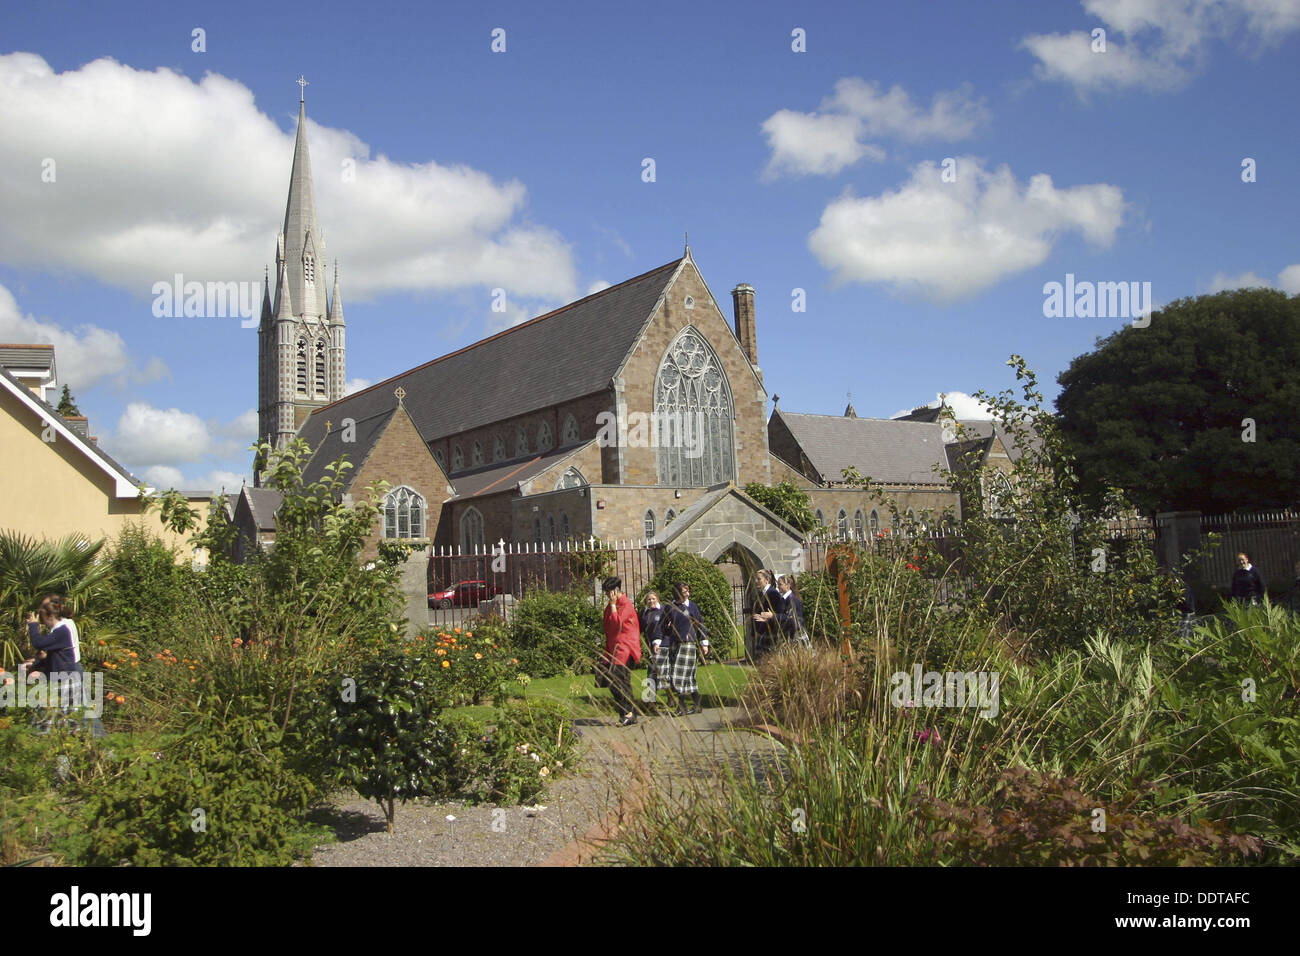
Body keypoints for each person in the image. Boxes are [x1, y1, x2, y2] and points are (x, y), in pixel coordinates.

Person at [25, 594, 85, 724]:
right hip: (65, 671)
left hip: (69, 671)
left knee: (76, 713)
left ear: (51, 613)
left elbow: (39, 643)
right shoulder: (60, 627)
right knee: (66, 713)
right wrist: (38, 661)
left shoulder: (63, 627)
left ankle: (96, 737)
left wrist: (33, 625)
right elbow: (57, 652)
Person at [601, 576, 642, 727]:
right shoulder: (612, 605)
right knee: (614, 680)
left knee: (618, 680)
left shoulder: (625, 604)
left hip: (625, 648)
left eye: (608, 591)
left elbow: (615, 624)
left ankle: (628, 712)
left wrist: (612, 606)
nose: (606, 594)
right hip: (613, 649)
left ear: (615, 591)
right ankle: (627, 712)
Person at [663, 581, 709, 716]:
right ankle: (697, 705)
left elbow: (700, 624)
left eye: (688, 591)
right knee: (688, 677)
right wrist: (668, 629)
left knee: (679, 675)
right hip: (675, 643)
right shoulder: (671, 607)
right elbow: (663, 625)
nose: (687, 594)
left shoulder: (693, 607)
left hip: (689, 644)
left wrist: (704, 642)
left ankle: (681, 707)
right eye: (684, 592)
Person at [640, 591, 669, 710]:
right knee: (651, 673)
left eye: (653, 599)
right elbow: (642, 629)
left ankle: (669, 697)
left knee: (662, 674)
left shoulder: (662, 611)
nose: (651, 601)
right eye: (649, 599)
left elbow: (665, 628)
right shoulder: (645, 613)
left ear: (657, 599)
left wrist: (658, 641)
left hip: (661, 646)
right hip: (650, 647)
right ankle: (650, 701)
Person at [749, 569, 784, 661]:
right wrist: (754, 632)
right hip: (761, 634)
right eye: (756, 579)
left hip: (769, 634)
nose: (756, 581)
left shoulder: (773, 594)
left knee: (768, 662)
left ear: (767, 580)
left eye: (759, 579)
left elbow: (777, 614)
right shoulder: (761, 594)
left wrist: (761, 629)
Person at [776, 574, 807, 647]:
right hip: (791, 634)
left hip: (796, 635)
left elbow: (790, 618)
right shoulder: (785, 599)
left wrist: (773, 616)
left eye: (780, 584)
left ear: (788, 585)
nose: (778, 586)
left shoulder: (792, 599)